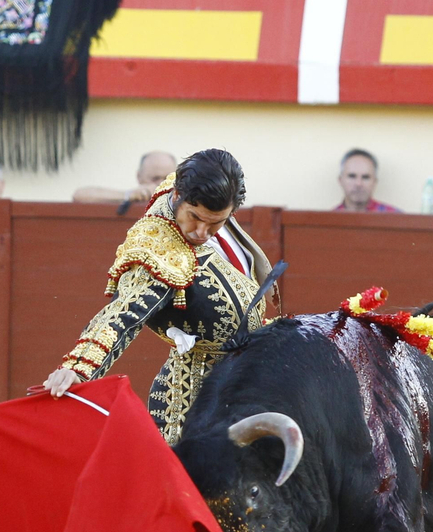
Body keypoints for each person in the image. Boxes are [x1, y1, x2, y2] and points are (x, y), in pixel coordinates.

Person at [43, 149, 275, 444]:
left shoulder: (182, 188)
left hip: (238, 385)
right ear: (178, 195)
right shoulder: (157, 251)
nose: (202, 232)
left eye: (216, 223)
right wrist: (77, 368)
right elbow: (124, 315)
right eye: (194, 218)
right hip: (192, 404)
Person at [73, 151, 179, 206]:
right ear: (139, 177)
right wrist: (128, 195)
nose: (161, 184)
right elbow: (80, 195)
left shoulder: (184, 201)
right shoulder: (133, 197)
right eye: (155, 178)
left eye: (167, 178)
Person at [334, 149, 402, 213]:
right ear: (340, 180)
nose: (358, 184)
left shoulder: (397, 219)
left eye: (365, 177)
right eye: (352, 176)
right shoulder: (328, 220)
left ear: (375, 181)